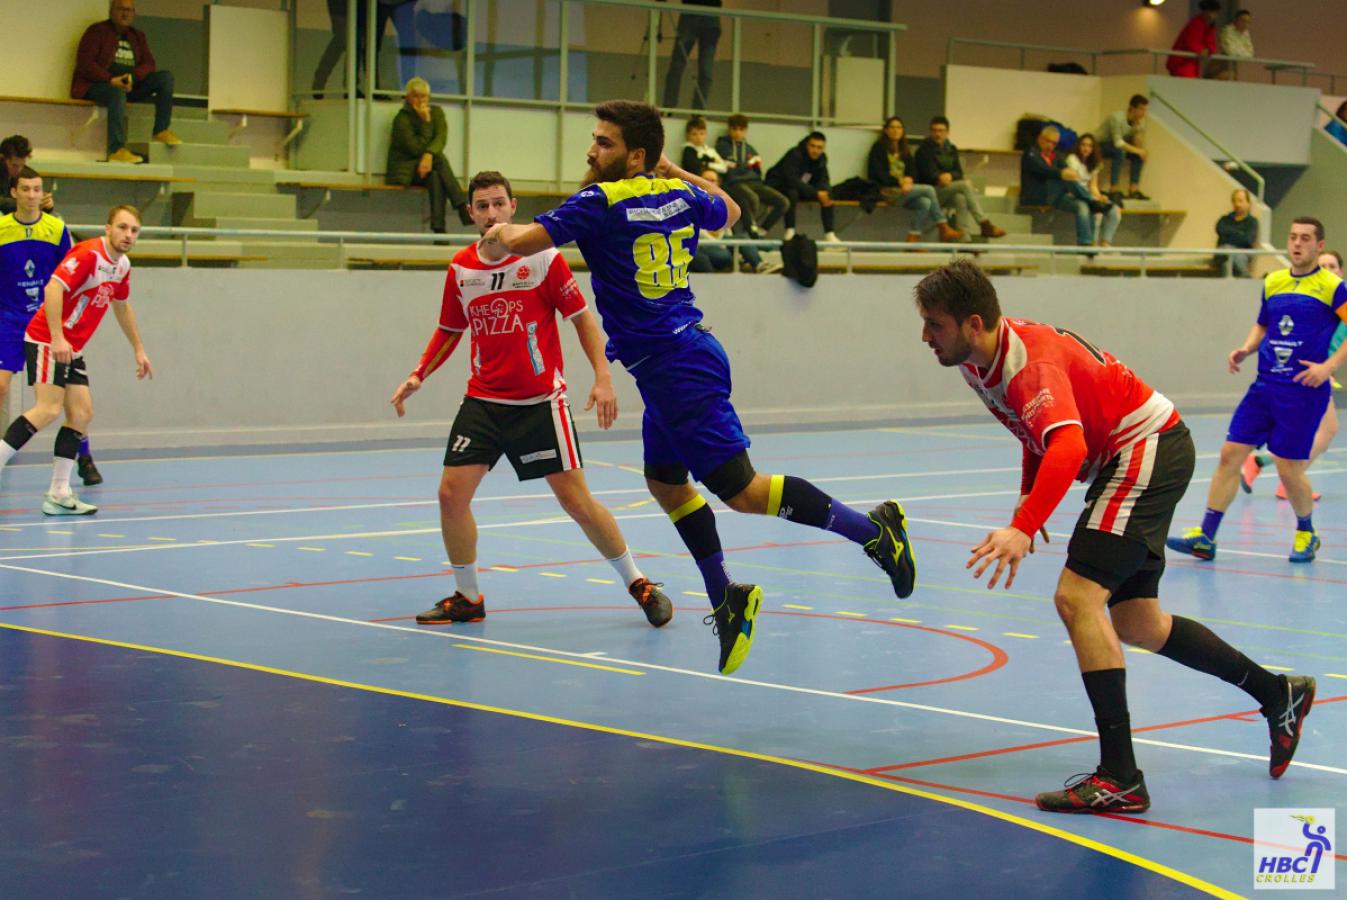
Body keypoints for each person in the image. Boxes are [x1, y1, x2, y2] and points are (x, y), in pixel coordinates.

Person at [480, 100, 917, 675]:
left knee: (742, 491)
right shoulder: (680, 195)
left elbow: (522, 241)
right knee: (664, 482)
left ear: (634, 154)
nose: (592, 150)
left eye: (604, 142)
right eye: (595, 140)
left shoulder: (598, 201)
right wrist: (674, 169)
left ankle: (874, 532)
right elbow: (730, 211)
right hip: (676, 360)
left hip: (678, 368)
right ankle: (726, 597)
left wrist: (495, 230)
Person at [915, 259, 1316, 814]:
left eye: (935, 324)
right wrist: (1025, 504)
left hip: (1143, 449)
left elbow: (1069, 447)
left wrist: (1024, 525)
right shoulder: (981, 359)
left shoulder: (1029, 365)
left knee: (1077, 597)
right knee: (1138, 624)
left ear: (974, 322)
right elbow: (1035, 435)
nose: (925, 336)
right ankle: (1279, 694)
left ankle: (1120, 777)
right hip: (1142, 451)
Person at [389, 170, 673, 628]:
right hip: (483, 401)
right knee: (449, 495)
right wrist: (419, 373)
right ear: (471, 214)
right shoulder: (462, 268)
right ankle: (468, 597)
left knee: (577, 502)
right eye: (482, 205)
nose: (491, 213)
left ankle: (638, 582)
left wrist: (603, 377)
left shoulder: (543, 259)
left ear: (513, 207)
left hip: (540, 403)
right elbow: (450, 329)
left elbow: (582, 320)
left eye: (498, 203)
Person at [1169, 217, 1347, 564]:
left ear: (1319, 246)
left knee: (1289, 468)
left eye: (1306, 239)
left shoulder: (1332, 286)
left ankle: (1306, 533)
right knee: (1229, 454)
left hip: (1301, 390)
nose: (1297, 244)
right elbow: (1263, 323)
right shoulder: (1274, 281)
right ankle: (1206, 536)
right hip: (1264, 385)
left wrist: (1329, 366)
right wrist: (1247, 348)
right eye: (1293, 236)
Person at [0, 206, 152, 514]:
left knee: (81, 413)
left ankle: (58, 492)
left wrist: (138, 348)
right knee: (48, 408)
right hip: (46, 337)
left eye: (134, 230)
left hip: (72, 346)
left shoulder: (121, 265)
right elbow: (53, 288)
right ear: (107, 228)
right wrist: (57, 337)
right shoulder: (87, 255)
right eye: (122, 227)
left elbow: (122, 306)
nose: (128, 235)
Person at [1242, 248, 1344, 501]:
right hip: (1308, 375)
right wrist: (1325, 369)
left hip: (1320, 374)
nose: (1328, 270)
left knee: (1320, 430)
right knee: (1326, 429)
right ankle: (1274, 471)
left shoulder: (1337, 299)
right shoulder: (1312, 302)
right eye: (1324, 266)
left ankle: (1269, 466)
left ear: (1340, 271)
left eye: (1333, 266)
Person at [72, 0, 180, 165]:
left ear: (134, 13)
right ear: (112, 11)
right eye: (121, 9)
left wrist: (133, 77)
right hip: (98, 85)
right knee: (116, 93)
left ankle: (161, 129)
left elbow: (149, 64)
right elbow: (85, 63)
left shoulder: (137, 36)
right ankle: (117, 150)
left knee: (165, 77)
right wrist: (110, 79)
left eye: (129, 10)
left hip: (128, 85)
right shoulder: (97, 31)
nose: (125, 13)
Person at [386, 77, 471, 233]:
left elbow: (441, 138)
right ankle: (461, 206)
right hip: (407, 170)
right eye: (416, 96)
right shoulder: (402, 119)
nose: (420, 100)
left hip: (428, 168)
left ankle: (439, 229)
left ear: (428, 97)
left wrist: (429, 155)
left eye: (423, 96)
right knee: (439, 158)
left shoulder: (437, 113)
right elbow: (415, 148)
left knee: (435, 177)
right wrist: (425, 122)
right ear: (408, 97)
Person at [866, 117, 963, 244]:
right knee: (928, 189)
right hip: (886, 191)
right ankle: (943, 226)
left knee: (925, 202)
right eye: (892, 127)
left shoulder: (904, 149)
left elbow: (913, 170)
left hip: (904, 190)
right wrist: (899, 182)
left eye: (899, 127)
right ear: (886, 130)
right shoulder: (878, 148)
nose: (896, 130)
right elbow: (877, 173)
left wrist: (909, 179)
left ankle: (913, 238)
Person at [914, 117, 1005, 241]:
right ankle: (984, 224)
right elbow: (927, 173)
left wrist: (950, 176)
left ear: (947, 132)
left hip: (947, 189)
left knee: (960, 198)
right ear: (930, 132)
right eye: (934, 130)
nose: (937, 134)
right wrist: (939, 177)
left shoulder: (951, 149)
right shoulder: (923, 150)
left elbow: (959, 173)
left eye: (941, 130)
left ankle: (964, 239)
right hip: (931, 191)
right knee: (966, 185)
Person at [1019, 126, 1095, 248]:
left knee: (1083, 206)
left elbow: (1068, 170)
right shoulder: (1030, 153)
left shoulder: (1057, 156)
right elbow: (1043, 170)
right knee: (1065, 178)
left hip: (1054, 196)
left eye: (1054, 143)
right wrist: (1061, 173)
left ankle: (1085, 243)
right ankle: (1090, 199)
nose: (1050, 145)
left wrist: (1067, 173)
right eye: (1048, 141)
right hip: (1036, 195)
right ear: (1040, 138)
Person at [715, 114, 788, 237]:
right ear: (729, 129)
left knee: (783, 202)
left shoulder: (751, 149)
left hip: (754, 182)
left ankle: (762, 230)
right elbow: (728, 170)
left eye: (741, 129)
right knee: (752, 198)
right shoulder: (722, 147)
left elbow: (756, 170)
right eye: (735, 129)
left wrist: (739, 166)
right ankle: (750, 230)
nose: (738, 133)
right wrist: (745, 166)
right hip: (734, 183)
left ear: (746, 130)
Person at [689, 168, 773, 273]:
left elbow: (727, 227)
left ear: (718, 183)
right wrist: (722, 244)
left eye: (713, 180)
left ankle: (759, 265)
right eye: (706, 180)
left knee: (743, 237)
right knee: (724, 255)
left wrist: (725, 242)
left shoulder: (721, 201)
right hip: (701, 243)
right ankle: (742, 260)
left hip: (721, 241)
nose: (709, 183)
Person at [765, 131, 839, 243]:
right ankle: (790, 232)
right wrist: (816, 193)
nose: (815, 150)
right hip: (778, 185)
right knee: (792, 193)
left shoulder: (822, 159)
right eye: (812, 146)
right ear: (807, 145)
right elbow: (791, 180)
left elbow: (823, 179)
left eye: (819, 148)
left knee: (827, 193)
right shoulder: (794, 154)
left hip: (801, 188)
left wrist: (824, 192)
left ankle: (830, 234)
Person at [661, 0, 722, 111]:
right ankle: (669, 107)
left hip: (710, 16)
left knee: (705, 70)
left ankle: (698, 112)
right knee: (677, 64)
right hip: (692, 13)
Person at [1063, 134, 1120, 248]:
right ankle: (1091, 243)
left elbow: (1093, 185)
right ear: (1078, 146)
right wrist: (1093, 198)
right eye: (1083, 145)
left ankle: (1105, 242)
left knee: (1115, 211)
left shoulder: (1095, 163)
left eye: (1089, 146)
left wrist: (1099, 197)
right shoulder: (1072, 159)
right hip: (1074, 194)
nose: (1086, 148)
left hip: (1088, 194)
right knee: (1096, 211)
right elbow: (1075, 183)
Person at [1096, 95, 1149, 202]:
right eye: (1141, 109)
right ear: (1132, 108)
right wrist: (1139, 150)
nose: (1144, 113)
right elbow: (1118, 143)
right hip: (1100, 144)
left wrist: (1137, 129)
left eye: (1145, 109)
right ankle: (1114, 188)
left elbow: (1137, 145)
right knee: (1120, 152)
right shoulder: (1116, 118)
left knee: (1137, 155)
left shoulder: (1138, 123)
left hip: (1116, 146)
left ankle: (1133, 189)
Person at [0, 136, 54, 217]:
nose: (19, 170)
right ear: (3, 159)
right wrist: (27, 203)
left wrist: (47, 205)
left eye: (22, 165)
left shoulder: (28, 174)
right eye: (14, 165)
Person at [1166, 0, 1221, 79]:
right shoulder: (1196, 23)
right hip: (1183, 62)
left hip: (1192, 63)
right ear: (1204, 12)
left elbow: (1212, 44)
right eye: (1209, 12)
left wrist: (1208, 50)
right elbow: (1192, 43)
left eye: (1214, 13)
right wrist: (1203, 50)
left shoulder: (1210, 26)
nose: (1211, 15)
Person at [1215, 188, 1258, 278]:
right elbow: (1219, 230)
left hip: (1243, 255)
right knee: (1226, 250)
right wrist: (1239, 233)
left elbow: (1248, 240)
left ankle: (1243, 276)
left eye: (1240, 201)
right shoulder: (1224, 220)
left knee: (1228, 258)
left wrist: (1229, 235)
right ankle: (1245, 276)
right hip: (1222, 254)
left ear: (1248, 203)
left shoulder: (1252, 222)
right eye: (1234, 201)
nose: (1237, 204)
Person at [1213, 9, 1254, 80]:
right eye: (1243, 21)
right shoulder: (1227, 31)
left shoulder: (1246, 33)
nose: (1245, 24)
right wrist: (1242, 51)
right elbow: (1230, 51)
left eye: (1248, 22)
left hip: (1234, 66)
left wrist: (1238, 51)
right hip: (1220, 65)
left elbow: (1250, 53)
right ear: (1236, 20)